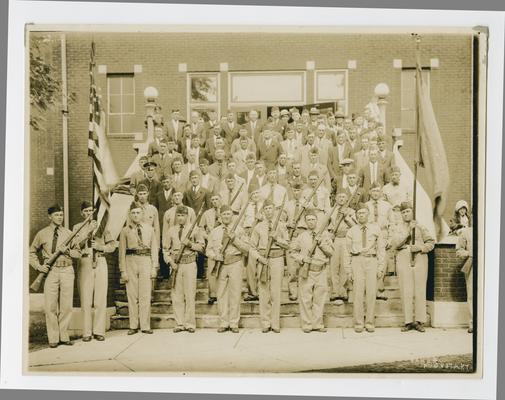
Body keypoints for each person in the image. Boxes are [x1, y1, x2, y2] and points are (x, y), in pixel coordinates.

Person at [29, 204, 80, 348]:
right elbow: (31, 252)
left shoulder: (69, 233)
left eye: (61, 215)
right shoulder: (42, 234)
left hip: (67, 270)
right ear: (49, 216)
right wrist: (39, 266)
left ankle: (64, 336)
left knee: (66, 306)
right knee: (50, 305)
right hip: (51, 271)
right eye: (57, 215)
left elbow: (78, 253)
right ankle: (53, 338)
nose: (60, 217)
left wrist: (68, 252)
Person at [72, 201, 115, 342]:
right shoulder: (77, 227)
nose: (88, 213)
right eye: (85, 211)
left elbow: (112, 246)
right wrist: (88, 231)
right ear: (81, 213)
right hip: (85, 261)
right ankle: (87, 332)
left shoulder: (102, 226)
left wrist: (101, 246)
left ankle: (99, 331)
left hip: (100, 260)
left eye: (91, 210)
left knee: (100, 298)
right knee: (86, 299)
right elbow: (75, 245)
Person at [391, 202, 435, 333]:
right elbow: (395, 243)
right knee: (406, 290)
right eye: (403, 212)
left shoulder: (421, 226)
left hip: (419, 258)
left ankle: (419, 321)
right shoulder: (398, 227)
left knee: (420, 290)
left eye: (408, 211)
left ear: (412, 212)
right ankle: (408, 321)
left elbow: (431, 242)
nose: (406, 214)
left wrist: (421, 248)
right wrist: (408, 231)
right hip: (404, 257)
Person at [206, 205, 250, 333]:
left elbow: (247, 249)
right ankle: (224, 323)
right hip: (221, 264)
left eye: (228, 214)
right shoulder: (215, 232)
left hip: (235, 262)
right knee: (221, 294)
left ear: (232, 215)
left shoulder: (239, 230)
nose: (226, 216)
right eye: (224, 214)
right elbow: (208, 250)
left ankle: (234, 323)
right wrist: (215, 256)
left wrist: (234, 239)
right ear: (220, 217)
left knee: (235, 294)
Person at [290, 209, 334, 333]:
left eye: (313, 219)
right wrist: (303, 258)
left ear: (317, 221)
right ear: (305, 222)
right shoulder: (301, 236)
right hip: (307, 270)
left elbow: (331, 252)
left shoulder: (325, 235)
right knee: (305, 298)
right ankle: (307, 324)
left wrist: (321, 243)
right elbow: (292, 251)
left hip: (321, 270)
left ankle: (318, 324)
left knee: (319, 299)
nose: (311, 222)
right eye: (308, 220)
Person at [163, 206, 205, 333]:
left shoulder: (195, 230)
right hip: (176, 264)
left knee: (190, 294)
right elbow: (165, 250)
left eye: (183, 215)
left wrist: (190, 244)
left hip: (190, 263)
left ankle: (190, 324)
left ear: (188, 216)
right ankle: (179, 323)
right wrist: (170, 262)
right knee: (177, 295)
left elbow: (202, 248)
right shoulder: (171, 230)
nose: (181, 218)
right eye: (179, 215)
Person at [118, 202, 159, 335]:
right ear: (130, 214)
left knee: (145, 294)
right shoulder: (125, 230)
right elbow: (122, 252)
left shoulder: (149, 229)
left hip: (145, 261)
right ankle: (133, 325)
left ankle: (145, 325)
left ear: (142, 214)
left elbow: (154, 249)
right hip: (131, 261)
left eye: (138, 212)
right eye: (133, 213)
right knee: (132, 295)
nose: (136, 215)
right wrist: (123, 271)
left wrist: (154, 267)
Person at [249, 200, 290, 333]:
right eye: (265, 209)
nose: (268, 211)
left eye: (270, 208)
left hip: (277, 259)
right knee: (263, 291)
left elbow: (288, 245)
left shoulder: (282, 226)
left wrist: (277, 238)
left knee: (276, 292)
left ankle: (275, 323)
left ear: (274, 209)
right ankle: (265, 323)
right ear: (263, 211)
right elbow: (251, 247)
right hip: (263, 259)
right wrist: (259, 258)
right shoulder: (258, 227)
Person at [346, 204, 386, 333]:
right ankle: (358, 323)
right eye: (359, 213)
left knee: (371, 293)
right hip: (357, 261)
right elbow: (347, 252)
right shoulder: (351, 231)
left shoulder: (376, 229)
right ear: (356, 216)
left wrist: (380, 267)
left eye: (363, 213)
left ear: (368, 214)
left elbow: (381, 249)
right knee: (357, 293)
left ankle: (369, 322)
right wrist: (348, 270)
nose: (361, 215)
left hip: (371, 260)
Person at [328, 190, 356, 305]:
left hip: (346, 239)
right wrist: (330, 234)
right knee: (334, 265)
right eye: (339, 197)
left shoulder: (351, 211)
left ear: (347, 198)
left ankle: (343, 291)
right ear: (336, 198)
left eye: (344, 197)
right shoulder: (332, 211)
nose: (341, 199)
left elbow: (355, 227)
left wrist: (347, 218)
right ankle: (335, 291)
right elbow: (328, 226)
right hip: (335, 240)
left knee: (345, 266)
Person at [365, 184, 393, 300]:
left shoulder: (387, 206)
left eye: (377, 191)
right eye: (373, 191)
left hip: (383, 233)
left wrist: (390, 238)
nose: (375, 193)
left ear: (381, 192)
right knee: (370, 260)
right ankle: (370, 288)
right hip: (370, 234)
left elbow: (392, 223)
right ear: (370, 192)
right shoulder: (366, 205)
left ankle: (379, 289)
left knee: (382, 260)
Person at [284, 182, 308, 301]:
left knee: (303, 264)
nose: (297, 193)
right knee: (292, 267)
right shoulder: (287, 205)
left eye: (299, 190)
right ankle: (293, 292)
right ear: (292, 191)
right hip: (292, 236)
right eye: (295, 190)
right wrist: (288, 224)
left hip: (304, 235)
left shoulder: (307, 204)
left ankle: (304, 291)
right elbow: (282, 221)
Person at [199, 193, 223, 305]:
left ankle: (223, 293)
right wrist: (206, 236)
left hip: (224, 243)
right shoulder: (207, 214)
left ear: (221, 200)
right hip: (212, 244)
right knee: (212, 270)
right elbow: (200, 228)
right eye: (212, 199)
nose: (214, 201)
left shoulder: (225, 212)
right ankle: (213, 294)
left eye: (216, 199)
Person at [456, 226, 473, 333]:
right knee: (472, 295)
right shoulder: (466, 232)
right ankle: (472, 323)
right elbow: (459, 251)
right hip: (472, 266)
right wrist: (470, 254)